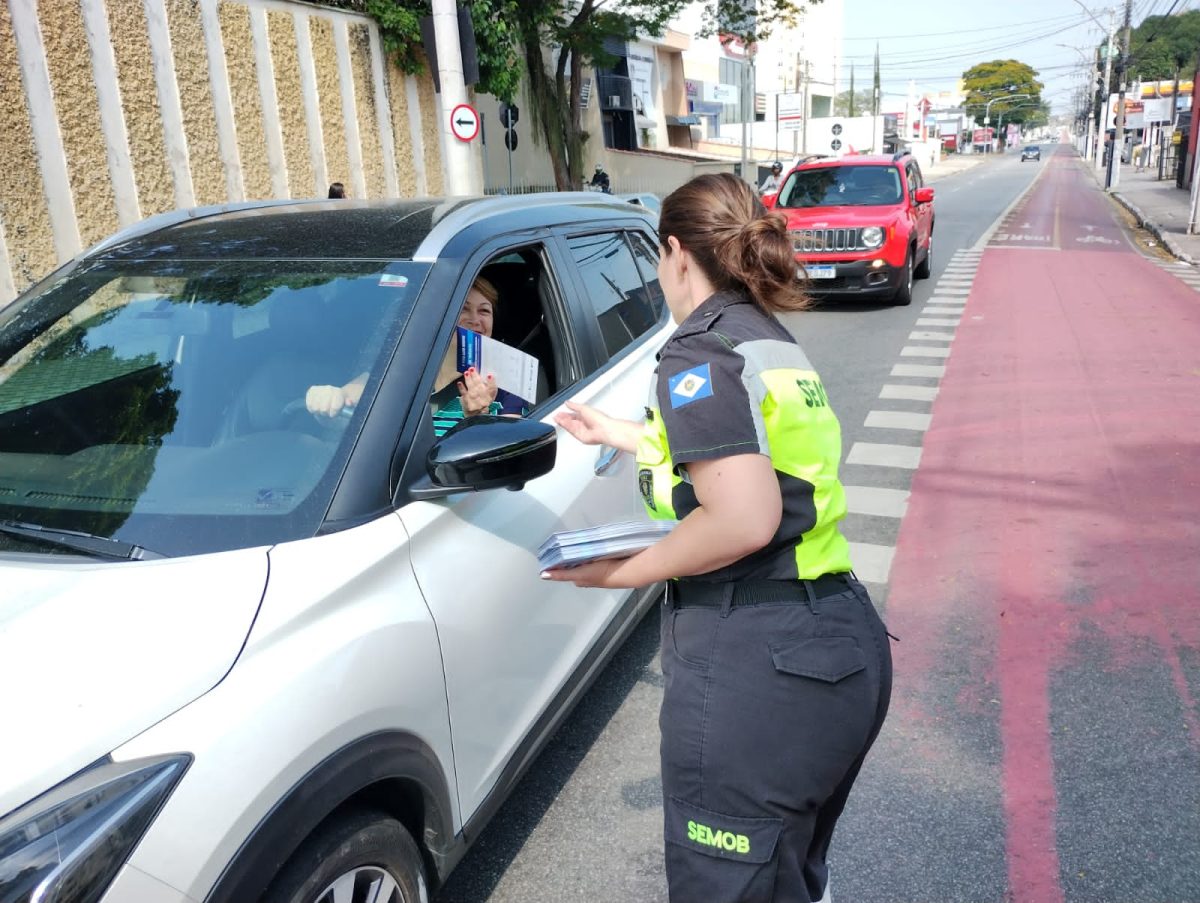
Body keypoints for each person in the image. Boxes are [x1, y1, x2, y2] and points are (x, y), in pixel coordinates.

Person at [544, 173, 892, 903]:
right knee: (789, 875)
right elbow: (748, 456)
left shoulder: (697, 350)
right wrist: (621, 433)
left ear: (674, 252)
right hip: (839, 646)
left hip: (762, 663)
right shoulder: (767, 337)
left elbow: (742, 516)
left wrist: (622, 571)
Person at [305, 276, 526, 435]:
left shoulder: (509, 378)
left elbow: (502, 458)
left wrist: (477, 418)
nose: (475, 319)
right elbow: (344, 405)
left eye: (484, 311)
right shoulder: (401, 369)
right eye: (463, 308)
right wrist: (327, 400)